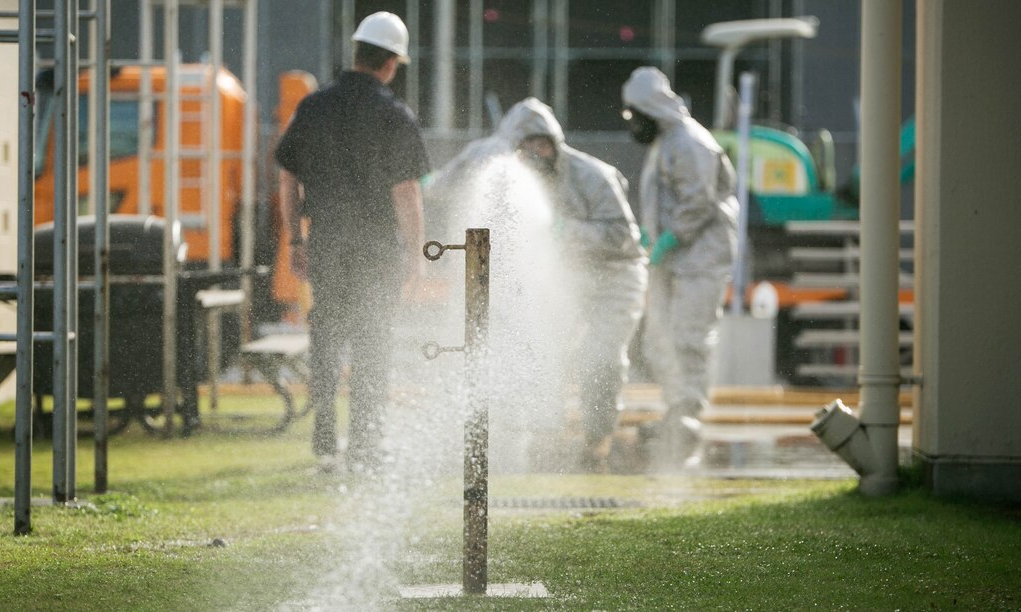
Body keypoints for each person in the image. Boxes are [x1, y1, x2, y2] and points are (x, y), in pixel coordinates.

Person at [432, 98, 647, 472]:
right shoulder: (507, 178)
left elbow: (625, 237)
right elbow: (447, 187)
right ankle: (545, 442)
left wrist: (566, 230)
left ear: (555, 144)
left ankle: (597, 444)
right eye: (526, 146)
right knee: (539, 350)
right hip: (570, 275)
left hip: (615, 274)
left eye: (542, 144)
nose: (535, 153)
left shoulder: (593, 175)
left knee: (599, 358)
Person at [274, 11, 429, 473]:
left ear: (358, 52)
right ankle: (364, 446)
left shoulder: (314, 106)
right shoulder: (393, 115)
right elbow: (407, 193)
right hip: (378, 250)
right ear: (390, 64)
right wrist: (418, 257)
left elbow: (287, 176)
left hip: (325, 243)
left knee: (326, 338)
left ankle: (325, 442)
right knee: (373, 343)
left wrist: (296, 242)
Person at [621, 67, 739, 465]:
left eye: (634, 115)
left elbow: (698, 202)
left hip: (700, 257)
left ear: (650, 110)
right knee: (660, 340)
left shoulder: (690, 142)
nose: (631, 124)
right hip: (673, 257)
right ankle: (677, 411)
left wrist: (670, 237)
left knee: (689, 337)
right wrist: (652, 237)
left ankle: (688, 417)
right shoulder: (666, 142)